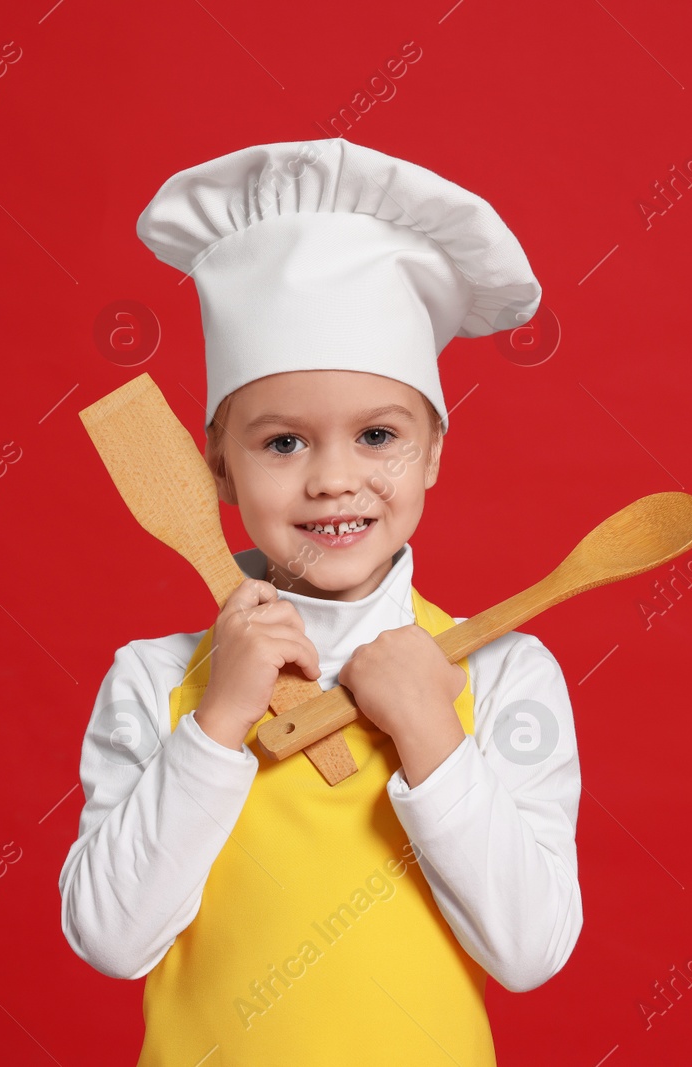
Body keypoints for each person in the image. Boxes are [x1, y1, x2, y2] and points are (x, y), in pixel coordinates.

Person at [59, 136, 583, 1066]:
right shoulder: (156, 681)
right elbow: (109, 937)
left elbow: (531, 952)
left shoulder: (501, 672)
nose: (335, 480)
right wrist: (216, 720)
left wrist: (430, 730)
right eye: (284, 443)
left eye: (378, 434)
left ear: (432, 453)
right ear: (217, 462)